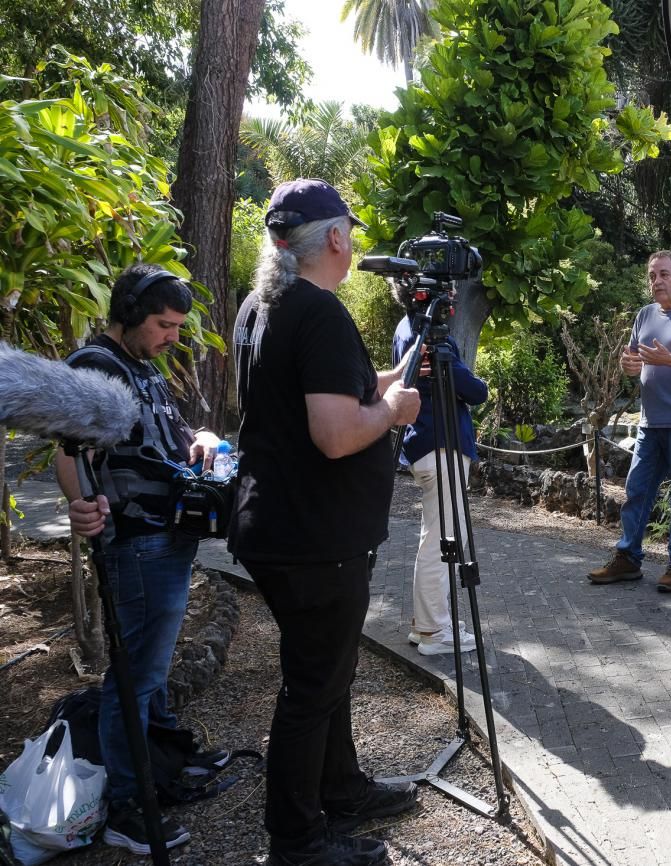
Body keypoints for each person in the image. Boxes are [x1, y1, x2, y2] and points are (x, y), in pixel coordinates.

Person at [229, 178, 421, 866]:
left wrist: (387, 379)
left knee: (326, 673)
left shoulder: (263, 305)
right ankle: (296, 841)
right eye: (351, 230)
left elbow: (317, 388)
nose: (355, 241)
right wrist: (396, 413)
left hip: (276, 528)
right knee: (312, 686)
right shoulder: (317, 310)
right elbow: (336, 435)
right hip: (313, 540)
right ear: (334, 238)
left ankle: (340, 787)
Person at [55, 263, 223, 854]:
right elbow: (66, 452)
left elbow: (161, 437)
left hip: (167, 539)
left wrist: (200, 439)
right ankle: (128, 807)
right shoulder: (95, 368)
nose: (173, 335)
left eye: (177, 324)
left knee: (145, 677)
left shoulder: (141, 366)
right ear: (127, 315)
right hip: (139, 544)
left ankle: (155, 773)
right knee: (134, 679)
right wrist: (81, 505)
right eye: (163, 324)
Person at [586, 250, 671, 593]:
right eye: (652, 276)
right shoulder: (644, 315)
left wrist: (670, 359)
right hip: (650, 423)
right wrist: (629, 367)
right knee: (636, 492)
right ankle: (628, 559)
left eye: (663, 274)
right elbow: (633, 362)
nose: (656, 281)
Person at [392, 297, 487, 655]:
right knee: (443, 541)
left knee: (433, 537)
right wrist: (479, 384)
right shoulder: (428, 333)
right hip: (442, 442)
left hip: (424, 443)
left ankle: (428, 623)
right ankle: (433, 632)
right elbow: (472, 390)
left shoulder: (405, 326)